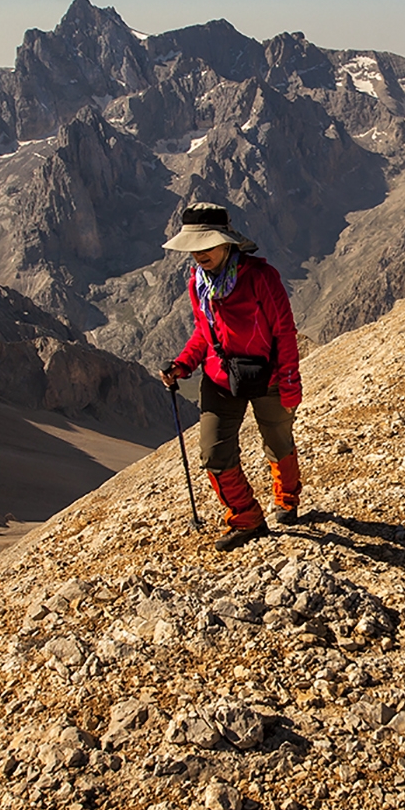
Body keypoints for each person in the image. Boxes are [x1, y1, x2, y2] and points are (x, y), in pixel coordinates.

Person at [159, 203, 302, 551]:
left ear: (227, 242)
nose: (199, 254)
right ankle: (246, 519)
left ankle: (286, 498)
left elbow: (284, 332)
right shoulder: (198, 283)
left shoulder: (260, 277)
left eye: (206, 245)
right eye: (194, 247)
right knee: (214, 453)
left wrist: (289, 382)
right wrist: (183, 364)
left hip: (267, 375)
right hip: (220, 377)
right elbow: (203, 333)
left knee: (278, 441)